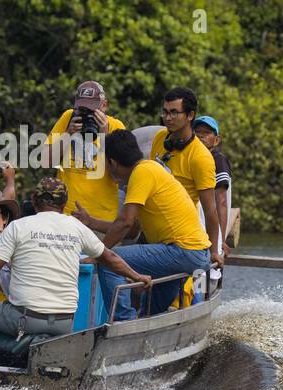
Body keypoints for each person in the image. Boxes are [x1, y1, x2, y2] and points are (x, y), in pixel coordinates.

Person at [0, 177, 152, 341]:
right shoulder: (76, 227)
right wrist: (138, 277)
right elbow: (110, 257)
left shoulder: (17, 227)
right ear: (64, 205)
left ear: (34, 201)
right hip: (65, 322)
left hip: (26, 319)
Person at [74, 130, 212, 321]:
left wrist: (100, 254)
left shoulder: (142, 172)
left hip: (183, 252)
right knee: (149, 310)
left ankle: (122, 321)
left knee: (109, 261)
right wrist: (92, 222)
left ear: (112, 162)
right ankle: (145, 326)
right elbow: (132, 230)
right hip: (194, 253)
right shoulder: (148, 170)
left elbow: (124, 223)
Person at [149, 87, 223, 262]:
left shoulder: (200, 157)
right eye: (165, 112)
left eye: (174, 113)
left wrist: (213, 251)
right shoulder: (160, 138)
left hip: (178, 237)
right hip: (153, 228)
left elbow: (210, 210)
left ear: (190, 115)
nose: (168, 118)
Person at [42, 80, 125, 223]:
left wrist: (104, 136)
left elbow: (119, 176)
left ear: (104, 105)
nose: (86, 115)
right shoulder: (69, 118)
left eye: (91, 110)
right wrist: (68, 134)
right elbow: (45, 161)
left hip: (100, 218)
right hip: (66, 214)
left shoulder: (115, 127)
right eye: (82, 109)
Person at [193, 115, 234, 249]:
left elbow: (221, 202)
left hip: (209, 233)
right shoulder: (192, 157)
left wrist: (220, 241)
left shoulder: (218, 160)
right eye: (197, 132)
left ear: (216, 140)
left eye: (206, 133)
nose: (200, 136)